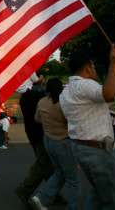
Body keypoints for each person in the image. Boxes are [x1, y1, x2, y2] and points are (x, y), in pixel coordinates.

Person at [60, 44, 115, 209]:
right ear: (88, 69)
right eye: (94, 67)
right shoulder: (86, 85)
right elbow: (110, 94)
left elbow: (111, 91)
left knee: (99, 193)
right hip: (98, 150)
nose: (95, 70)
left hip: (81, 148)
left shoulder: (66, 92)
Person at [30, 78, 81, 210]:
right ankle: (74, 206)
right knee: (73, 178)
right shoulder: (63, 104)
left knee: (60, 172)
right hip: (63, 141)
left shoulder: (42, 102)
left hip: (48, 140)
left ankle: (42, 197)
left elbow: (37, 119)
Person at [14, 74, 54, 207]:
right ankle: (25, 189)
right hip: (39, 132)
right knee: (45, 162)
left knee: (48, 162)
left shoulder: (25, 99)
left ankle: (53, 192)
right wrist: (41, 78)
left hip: (33, 132)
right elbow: (37, 79)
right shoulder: (35, 96)